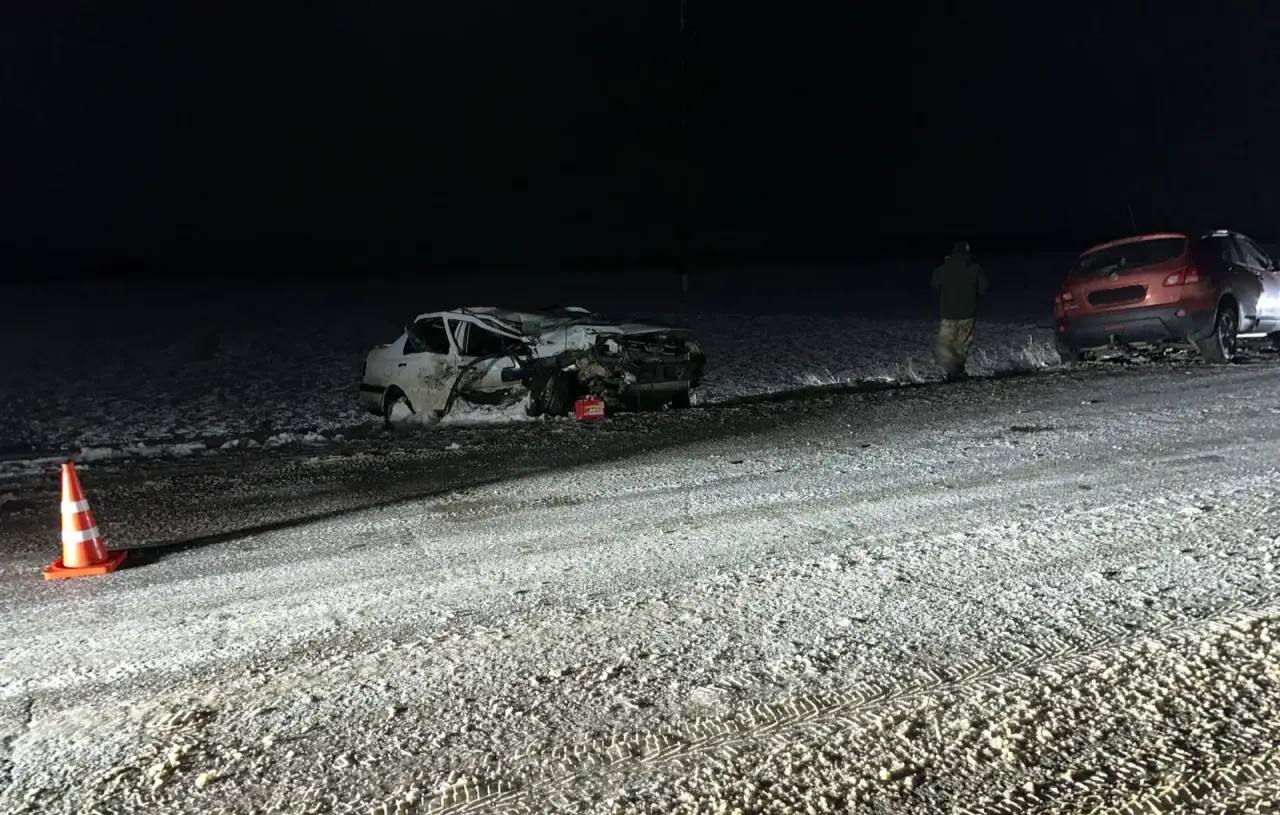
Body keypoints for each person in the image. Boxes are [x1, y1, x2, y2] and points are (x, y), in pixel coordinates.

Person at [931, 241, 989, 381]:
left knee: (946, 343)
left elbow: (934, 283)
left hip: (948, 313)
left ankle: (950, 372)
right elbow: (984, 288)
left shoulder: (943, 268)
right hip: (967, 314)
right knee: (962, 344)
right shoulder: (975, 268)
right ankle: (957, 371)